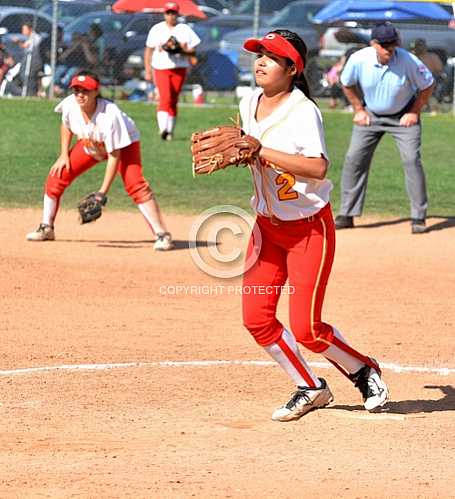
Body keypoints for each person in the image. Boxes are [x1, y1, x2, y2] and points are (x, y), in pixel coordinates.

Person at [239, 29, 389, 422]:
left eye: (271, 57)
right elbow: (256, 157)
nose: (260, 62)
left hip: (308, 230)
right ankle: (310, 387)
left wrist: (260, 150)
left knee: (306, 328)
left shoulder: (303, 111)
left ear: (292, 68)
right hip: (266, 228)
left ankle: (362, 369)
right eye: (259, 54)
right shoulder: (248, 101)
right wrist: (242, 153)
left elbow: (318, 167)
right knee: (256, 318)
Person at [26, 70, 173, 251]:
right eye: (76, 90)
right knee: (56, 176)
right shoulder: (70, 105)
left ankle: (162, 235)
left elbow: (114, 156)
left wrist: (101, 193)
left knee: (135, 184)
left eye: (85, 91)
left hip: (124, 145)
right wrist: (64, 154)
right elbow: (66, 124)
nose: (80, 95)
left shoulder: (110, 116)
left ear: (96, 91)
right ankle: (46, 228)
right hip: (91, 143)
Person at [334, 23, 435, 234]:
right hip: (371, 114)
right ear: (374, 44)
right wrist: (358, 109)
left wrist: (414, 112)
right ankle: (346, 214)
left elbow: (427, 85)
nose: (390, 49)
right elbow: (346, 83)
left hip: (403, 116)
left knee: (411, 160)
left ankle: (418, 216)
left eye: (393, 44)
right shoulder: (360, 59)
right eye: (385, 45)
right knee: (354, 158)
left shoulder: (408, 60)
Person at [144, 1, 201, 140]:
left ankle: (169, 131)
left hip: (179, 68)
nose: (171, 15)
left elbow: (193, 52)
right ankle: (163, 129)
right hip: (161, 68)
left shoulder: (184, 29)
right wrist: (148, 70)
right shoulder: (157, 29)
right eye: (168, 12)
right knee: (165, 97)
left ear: (177, 14)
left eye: (173, 13)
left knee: (173, 99)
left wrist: (181, 50)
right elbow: (148, 50)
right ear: (164, 14)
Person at [11, 22, 43, 96]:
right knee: (22, 74)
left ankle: (31, 93)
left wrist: (18, 41)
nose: (23, 31)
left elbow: (27, 46)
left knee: (27, 76)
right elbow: (25, 46)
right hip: (28, 60)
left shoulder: (35, 37)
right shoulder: (31, 37)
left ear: (30, 29)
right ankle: (25, 91)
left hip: (34, 61)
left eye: (24, 29)